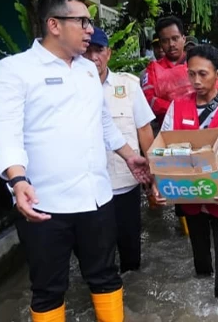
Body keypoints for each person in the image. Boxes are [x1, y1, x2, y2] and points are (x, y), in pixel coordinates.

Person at [0, 0, 151, 322]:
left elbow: (104, 122)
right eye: (82, 22)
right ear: (54, 25)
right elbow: (4, 132)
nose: (90, 30)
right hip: (44, 204)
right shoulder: (15, 70)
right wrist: (18, 180)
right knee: (48, 288)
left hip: (96, 199)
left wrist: (129, 155)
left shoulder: (88, 70)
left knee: (106, 276)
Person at [152, 45, 218, 299]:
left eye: (203, 74)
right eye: (191, 74)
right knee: (198, 246)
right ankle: (201, 284)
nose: (196, 81)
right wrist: (158, 182)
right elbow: (162, 145)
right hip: (190, 193)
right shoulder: (177, 107)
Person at [84, 27, 156, 273]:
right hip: (89, 188)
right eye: (87, 50)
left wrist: (153, 177)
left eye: (99, 50)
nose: (93, 57)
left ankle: (132, 302)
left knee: (130, 253)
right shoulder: (70, 90)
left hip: (125, 184)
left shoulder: (129, 86)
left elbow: (145, 131)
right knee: (96, 253)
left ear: (109, 53)